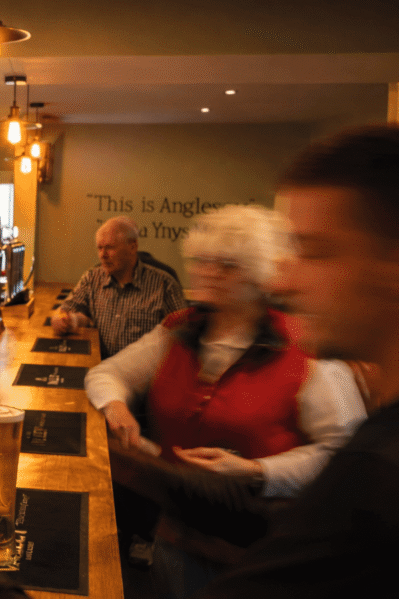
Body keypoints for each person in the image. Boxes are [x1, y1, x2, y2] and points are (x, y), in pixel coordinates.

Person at [0, 125, 399, 599]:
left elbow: (309, 486)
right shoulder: (185, 332)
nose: (284, 281)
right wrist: (121, 445)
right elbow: (112, 379)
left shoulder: (375, 472)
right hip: (176, 543)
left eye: (314, 251)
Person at [84, 204, 366, 597]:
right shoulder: (180, 330)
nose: (208, 272)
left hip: (257, 561)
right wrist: (115, 406)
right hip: (172, 541)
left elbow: (345, 453)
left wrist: (256, 470)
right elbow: (105, 374)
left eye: (227, 265)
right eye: (203, 261)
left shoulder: (303, 347)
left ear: (259, 275)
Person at [51, 216, 185, 358]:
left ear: (133, 247)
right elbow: (65, 310)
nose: (103, 255)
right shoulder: (92, 278)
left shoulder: (165, 285)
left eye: (109, 248)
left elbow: (185, 338)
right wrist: (62, 320)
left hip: (144, 375)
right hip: (102, 370)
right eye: (100, 248)